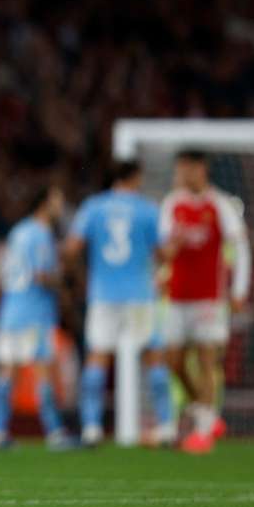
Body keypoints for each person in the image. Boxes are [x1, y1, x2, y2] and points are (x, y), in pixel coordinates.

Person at [65, 161, 175, 447]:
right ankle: (165, 426)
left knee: (98, 357)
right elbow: (164, 253)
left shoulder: (93, 207)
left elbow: (71, 248)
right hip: (139, 294)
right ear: (135, 177)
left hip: (103, 294)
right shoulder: (148, 209)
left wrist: (83, 278)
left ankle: (91, 428)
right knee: (153, 356)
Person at [160, 149, 250, 454]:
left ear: (201, 169)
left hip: (209, 297)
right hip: (176, 295)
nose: (182, 173)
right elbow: (163, 249)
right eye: (180, 168)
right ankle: (205, 412)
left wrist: (239, 289)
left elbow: (241, 247)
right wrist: (163, 266)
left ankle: (201, 432)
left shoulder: (220, 204)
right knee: (172, 361)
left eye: (187, 167)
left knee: (207, 358)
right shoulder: (172, 204)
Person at [0, 186, 73, 450]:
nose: (61, 207)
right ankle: (55, 432)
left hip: (10, 310)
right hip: (34, 312)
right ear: (45, 203)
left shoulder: (18, 232)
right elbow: (42, 275)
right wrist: (64, 280)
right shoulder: (41, 234)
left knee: (7, 373)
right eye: (58, 201)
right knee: (43, 371)